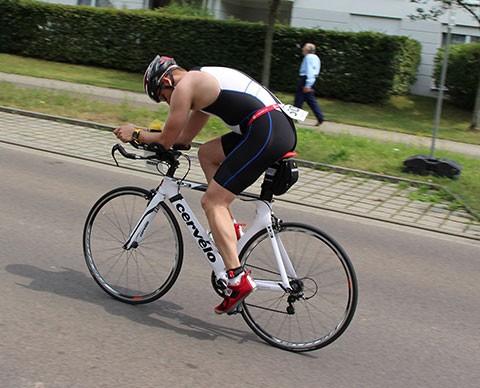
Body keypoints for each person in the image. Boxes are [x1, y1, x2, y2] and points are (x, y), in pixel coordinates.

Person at [113, 55, 297, 314]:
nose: (166, 101)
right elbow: (183, 139)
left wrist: (134, 133)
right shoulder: (199, 84)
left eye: (162, 96)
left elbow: (166, 139)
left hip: (266, 131)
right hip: (270, 127)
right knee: (207, 154)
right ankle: (230, 230)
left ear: (166, 80)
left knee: (212, 201)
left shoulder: (185, 86)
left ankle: (237, 279)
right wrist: (172, 145)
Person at [294, 43, 325, 126]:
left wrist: (308, 85)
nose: (302, 49)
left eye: (304, 48)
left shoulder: (308, 57)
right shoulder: (316, 58)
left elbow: (310, 71)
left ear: (308, 50)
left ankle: (294, 117)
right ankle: (320, 117)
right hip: (311, 79)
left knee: (299, 98)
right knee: (309, 99)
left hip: (306, 79)